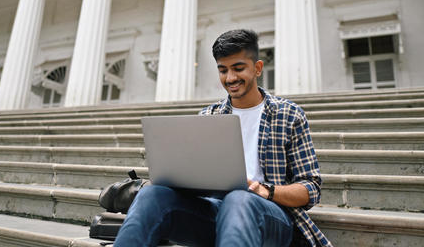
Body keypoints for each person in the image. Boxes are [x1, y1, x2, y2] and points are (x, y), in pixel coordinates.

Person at [114, 29, 332, 247]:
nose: (230, 78)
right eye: (223, 70)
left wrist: (265, 190)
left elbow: (311, 188)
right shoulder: (207, 117)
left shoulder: (288, 114)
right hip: (213, 213)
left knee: (239, 199)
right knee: (152, 195)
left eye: (238, 68)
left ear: (257, 68)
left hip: (271, 219)